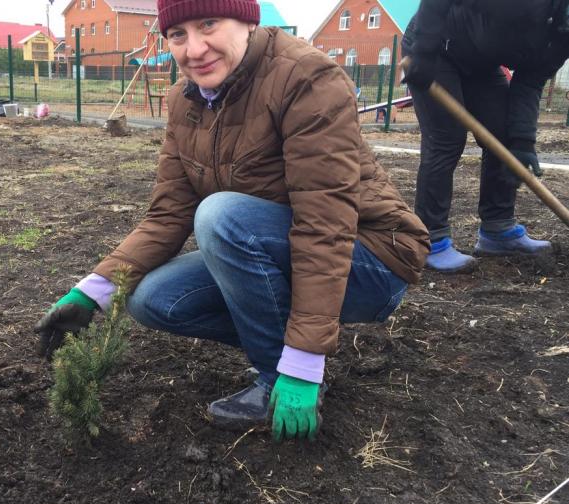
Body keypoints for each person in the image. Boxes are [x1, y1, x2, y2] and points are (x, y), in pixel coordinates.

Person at [36, 0, 430, 442]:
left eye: (209, 23)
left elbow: (326, 223)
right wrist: (92, 290)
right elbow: (168, 214)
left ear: (246, 19)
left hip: (372, 258)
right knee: (152, 299)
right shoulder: (185, 101)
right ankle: (285, 358)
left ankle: (280, 378)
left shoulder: (306, 78)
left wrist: (303, 363)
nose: (194, 48)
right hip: (280, 247)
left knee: (221, 216)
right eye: (178, 34)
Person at [402, 0, 568, 272]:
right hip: (436, 48)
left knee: (503, 134)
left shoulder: (562, 38)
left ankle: (497, 229)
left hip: (481, 62)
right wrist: (424, 50)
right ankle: (431, 238)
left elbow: (529, 81)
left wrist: (523, 142)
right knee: (447, 138)